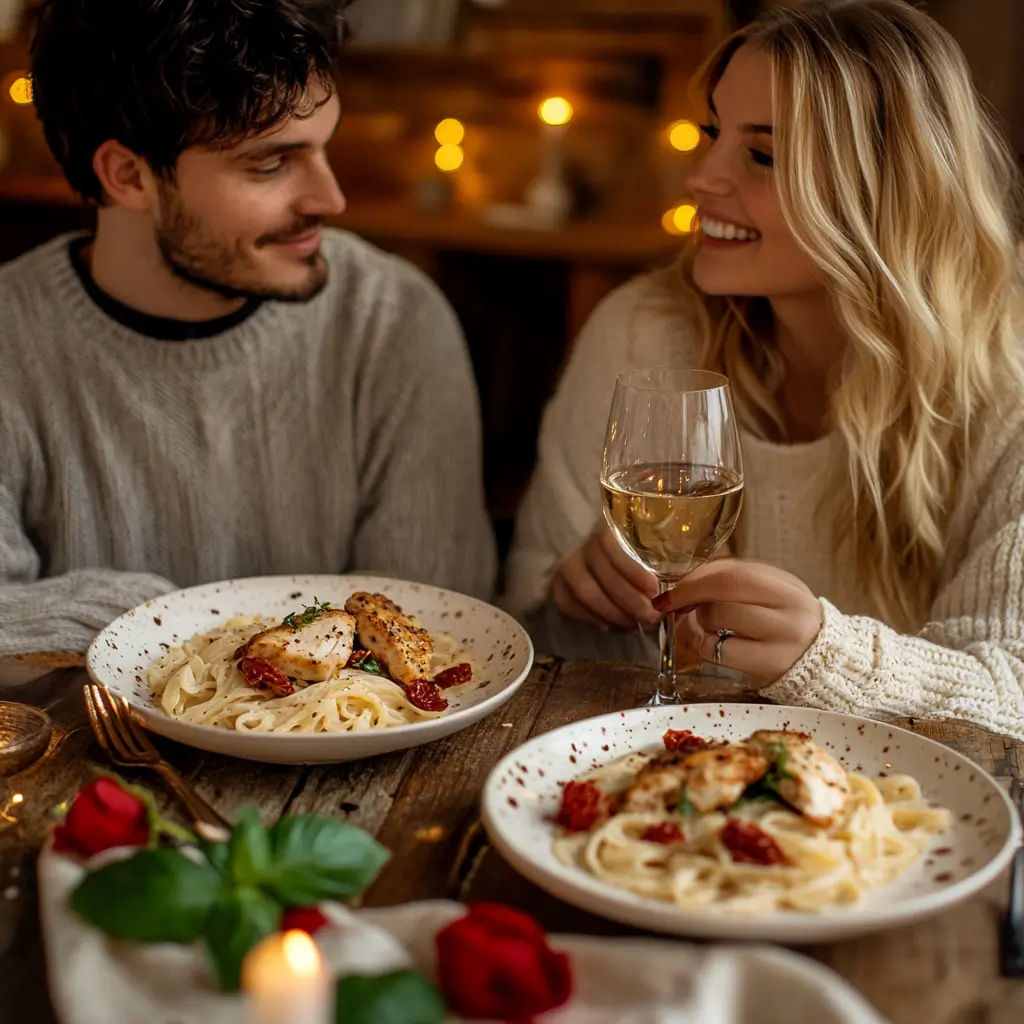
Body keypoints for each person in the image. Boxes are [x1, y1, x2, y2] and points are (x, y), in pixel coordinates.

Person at [503, 0, 1024, 738]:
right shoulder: (641, 334)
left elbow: (1015, 692)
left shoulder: (1012, 381)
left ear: (885, 194)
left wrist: (827, 656)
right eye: (715, 133)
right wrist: (576, 598)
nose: (699, 178)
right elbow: (522, 638)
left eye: (762, 155)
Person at [0, 0, 495, 679]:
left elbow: (432, 625)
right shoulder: (12, 337)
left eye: (323, 146)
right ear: (128, 175)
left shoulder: (391, 318)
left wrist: (147, 641)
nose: (330, 198)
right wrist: (155, 619)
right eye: (270, 165)